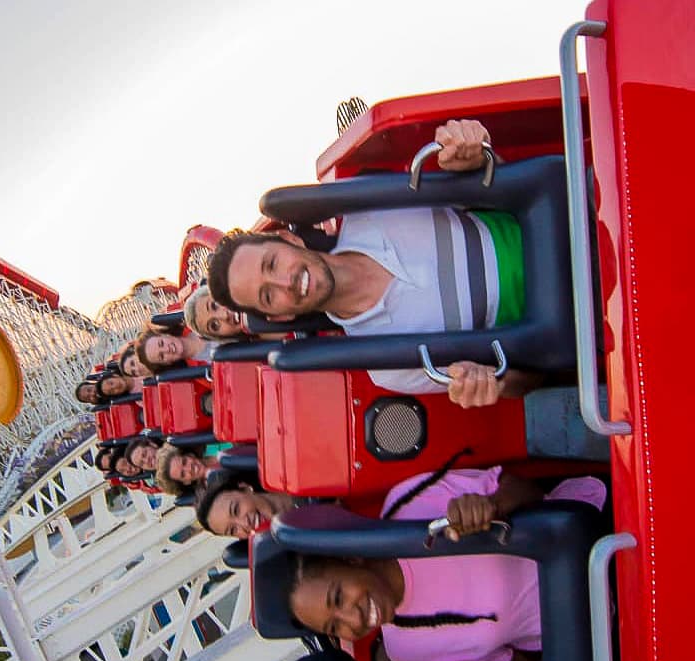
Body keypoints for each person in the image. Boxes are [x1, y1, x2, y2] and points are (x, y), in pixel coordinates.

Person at [285, 465, 606, 661]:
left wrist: (490, 507)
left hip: (604, 527)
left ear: (350, 559)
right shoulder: (408, 654)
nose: (352, 620)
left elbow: (525, 488)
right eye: (334, 626)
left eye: (338, 597)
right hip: (605, 623)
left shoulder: (409, 503)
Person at [207, 119, 535, 407]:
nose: (284, 282)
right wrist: (495, 383)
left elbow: (495, 186)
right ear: (281, 314)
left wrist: (472, 152)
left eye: (272, 264)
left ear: (291, 240)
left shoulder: (372, 206)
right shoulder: (386, 366)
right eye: (268, 295)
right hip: (564, 316)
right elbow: (532, 380)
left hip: (555, 220)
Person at [195, 470, 298, 539]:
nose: (245, 524)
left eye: (236, 510)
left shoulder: (292, 473)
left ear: (245, 488)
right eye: (233, 530)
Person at [154, 443, 220, 496]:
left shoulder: (211, 443)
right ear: (186, 482)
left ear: (189, 455)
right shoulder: (211, 491)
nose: (189, 468)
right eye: (183, 474)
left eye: (184, 462)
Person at [135, 330, 214, 373]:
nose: (167, 349)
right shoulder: (200, 373)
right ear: (166, 363)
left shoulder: (193, 317)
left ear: (165, 335)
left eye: (161, 343)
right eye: (161, 356)